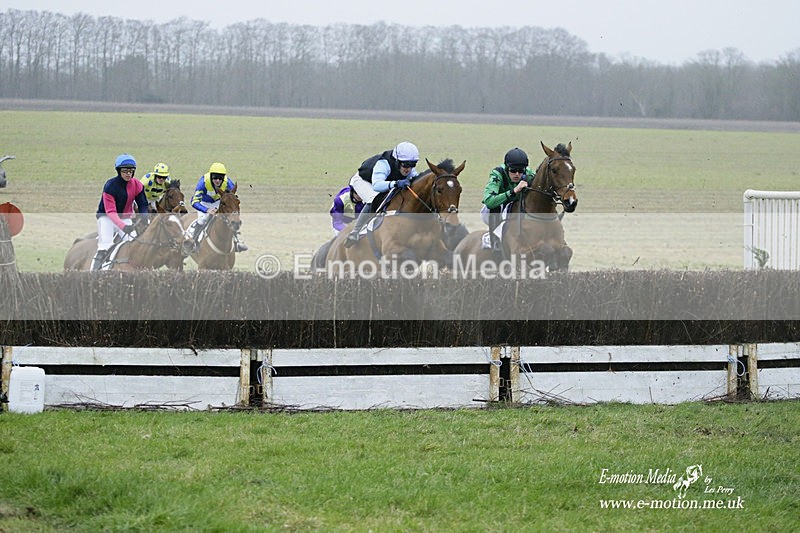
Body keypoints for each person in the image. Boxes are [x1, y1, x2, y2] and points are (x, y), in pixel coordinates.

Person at [344, 141, 420, 247]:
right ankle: (355, 232)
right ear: (397, 161)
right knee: (373, 198)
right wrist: (396, 183)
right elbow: (377, 186)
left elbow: (417, 179)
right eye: (406, 164)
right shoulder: (384, 164)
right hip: (364, 181)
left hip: (382, 182)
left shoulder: (408, 168)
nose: (408, 169)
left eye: (413, 164)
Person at [91, 154, 149, 270]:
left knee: (133, 244)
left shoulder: (137, 185)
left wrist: (144, 217)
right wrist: (123, 227)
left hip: (125, 217)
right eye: (125, 171)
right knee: (105, 245)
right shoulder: (110, 186)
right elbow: (111, 211)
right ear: (119, 171)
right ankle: (94, 272)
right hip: (106, 217)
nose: (128, 174)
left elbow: (142, 204)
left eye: (131, 171)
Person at [481, 147, 534, 253]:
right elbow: (489, 201)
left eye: (520, 171)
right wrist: (513, 191)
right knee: (496, 206)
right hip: (493, 210)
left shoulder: (529, 175)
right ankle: (494, 240)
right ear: (506, 168)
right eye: (513, 171)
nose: (517, 174)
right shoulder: (497, 174)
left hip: (514, 209)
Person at [187, 162, 248, 252]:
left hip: (219, 202)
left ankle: (236, 242)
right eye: (215, 178)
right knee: (203, 219)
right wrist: (207, 210)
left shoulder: (229, 184)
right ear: (211, 177)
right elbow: (194, 201)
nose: (217, 181)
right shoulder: (203, 183)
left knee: (230, 219)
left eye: (220, 178)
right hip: (204, 203)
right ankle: (193, 241)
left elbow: (231, 200)